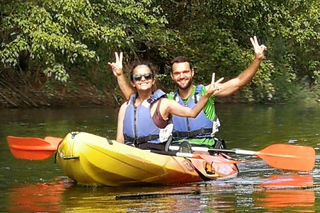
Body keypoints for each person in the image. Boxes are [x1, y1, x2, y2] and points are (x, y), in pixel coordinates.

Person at [109, 36, 267, 149]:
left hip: (206, 147)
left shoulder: (207, 91)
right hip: (178, 149)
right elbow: (134, 100)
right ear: (172, 76)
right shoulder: (167, 99)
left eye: (185, 72)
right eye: (177, 73)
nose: (182, 76)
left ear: (192, 73)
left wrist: (257, 60)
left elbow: (239, 82)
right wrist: (120, 75)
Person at [109, 58, 223, 151]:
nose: (143, 79)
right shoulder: (126, 107)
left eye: (147, 76)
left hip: (155, 152)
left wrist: (206, 95)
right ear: (133, 83)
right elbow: (120, 140)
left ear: (153, 80)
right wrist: (119, 75)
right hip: (131, 151)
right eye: (138, 77)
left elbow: (192, 113)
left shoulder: (164, 103)